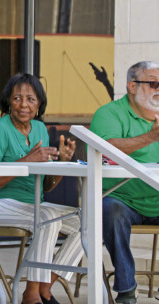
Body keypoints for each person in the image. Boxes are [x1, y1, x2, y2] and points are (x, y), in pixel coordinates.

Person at [0, 74, 83, 304]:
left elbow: (46, 184)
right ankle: (31, 295)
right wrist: (27, 160)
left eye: (30, 99)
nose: (24, 104)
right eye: (17, 98)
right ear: (8, 102)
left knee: (88, 222)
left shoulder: (39, 129)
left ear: (39, 104)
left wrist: (60, 165)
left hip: (31, 203)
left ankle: (44, 288)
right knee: (47, 217)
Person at [90, 61, 159, 304]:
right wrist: (151, 137)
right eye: (153, 83)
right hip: (123, 199)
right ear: (132, 86)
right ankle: (127, 289)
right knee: (110, 210)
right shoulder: (109, 113)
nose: (158, 89)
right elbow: (106, 149)